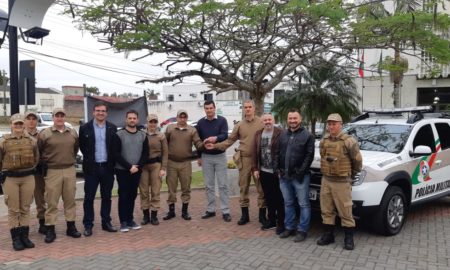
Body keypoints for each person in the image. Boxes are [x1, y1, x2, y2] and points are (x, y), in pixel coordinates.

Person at [211, 100, 266, 226]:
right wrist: (215, 146)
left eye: (250, 107)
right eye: (245, 107)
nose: (247, 109)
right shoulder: (240, 125)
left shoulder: (261, 122)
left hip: (258, 160)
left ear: (254, 108)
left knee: (261, 189)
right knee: (243, 188)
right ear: (243, 109)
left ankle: (262, 216)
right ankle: (245, 216)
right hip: (244, 159)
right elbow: (229, 141)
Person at [317, 113, 362, 250]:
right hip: (327, 180)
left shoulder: (349, 141)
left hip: (342, 181)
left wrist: (351, 175)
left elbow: (357, 161)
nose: (331, 127)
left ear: (340, 125)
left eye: (334, 124)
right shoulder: (324, 140)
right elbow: (323, 155)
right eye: (329, 124)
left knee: (345, 211)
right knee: (326, 210)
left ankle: (349, 238)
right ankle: (328, 235)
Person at [38, 108, 81, 243]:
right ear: (53, 117)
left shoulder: (72, 132)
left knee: (70, 200)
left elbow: (75, 149)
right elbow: (39, 150)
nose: (60, 118)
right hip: (52, 171)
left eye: (62, 116)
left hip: (69, 169)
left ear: (65, 117)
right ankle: (50, 229)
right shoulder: (45, 134)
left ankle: (71, 226)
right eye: (57, 116)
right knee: (52, 201)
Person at [0, 114, 39, 251]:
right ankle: (15, 239)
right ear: (11, 124)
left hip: (28, 177)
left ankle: (24, 237)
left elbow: (36, 158)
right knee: (13, 209)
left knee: (25, 208)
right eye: (15, 124)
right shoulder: (3, 141)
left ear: (24, 125)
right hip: (11, 178)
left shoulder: (32, 141)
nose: (18, 126)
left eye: (20, 124)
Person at [79, 101, 118, 237]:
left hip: (107, 168)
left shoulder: (112, 128)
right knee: (89, 198)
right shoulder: (85, 128)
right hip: (92, 168)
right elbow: (83, 148)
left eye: (103, 111)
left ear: (106, 113)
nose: (100, 113)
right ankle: (88, 225)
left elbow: (114, 149)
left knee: (106, 197)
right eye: (98, 110)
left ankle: (106, 222)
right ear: (93, 112)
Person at [275, 109, 314, 242]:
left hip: (300, 177)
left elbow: (309, 157)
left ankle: (302, 230)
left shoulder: (308, 136)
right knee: (288, 203)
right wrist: (277, 170)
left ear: (300, 119)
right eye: (290, 118)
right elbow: (276, 152)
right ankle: (289, 227)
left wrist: (300, 173)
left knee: (303, 204)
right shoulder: (282, 135)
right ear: (287, 120)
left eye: (295, 118)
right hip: (284, 176)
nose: (292, 121)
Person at [163, 109, 203, 221]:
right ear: (177, 117)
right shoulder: (170, 128)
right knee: (171, 188)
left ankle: (185, 212)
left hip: (186, 163)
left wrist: (204, 145)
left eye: (184, 117)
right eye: (180, 117)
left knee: (186, 188)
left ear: (186, 118)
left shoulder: (191, 130)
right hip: (171, 163)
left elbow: (198, 143)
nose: (182, 119)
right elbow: (164, 143)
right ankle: (171, 211)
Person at [113, 110, 149, 232]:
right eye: (130, 118)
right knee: (123, 195)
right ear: (126, 119)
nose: (132, 120)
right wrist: (129, 167)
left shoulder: (143, 135)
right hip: (122, 170)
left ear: (137, 120)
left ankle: (130, 219)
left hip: (137, 171)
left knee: (132, 195)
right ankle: (123, 222)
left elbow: (145, 154)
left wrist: (138, 166)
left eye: (134, 118)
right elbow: (116, 154)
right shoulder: (119, 134)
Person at [195, 101, 231, 222]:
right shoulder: (200, 123)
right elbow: (198, 142)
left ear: (215, 108)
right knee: (209, 185)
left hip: (220, 156)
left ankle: (225, 211)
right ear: (204, 109)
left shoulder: (222, 120)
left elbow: (225, 135)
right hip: (206, 157)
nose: (209, 110)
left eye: (211, 108)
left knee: (223, 185)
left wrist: (216, 138)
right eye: (207, 108)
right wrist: (199, 156)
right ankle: (211, 209)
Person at [252, 113, 285, 234]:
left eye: (269, 119)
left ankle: (281, 223)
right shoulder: (258, 134)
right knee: (269, 198)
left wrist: (282, 169)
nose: (267, 122)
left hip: (277, 172)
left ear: (273, 120)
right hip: (264, 172)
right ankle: (271, 221)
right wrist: (255, 168)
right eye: (265, 120)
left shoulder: (280, 133)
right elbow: (254, 152)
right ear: (262, 122)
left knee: (279, 198)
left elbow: (284, 152)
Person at [139, 114, 168, 226]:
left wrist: (163, 168)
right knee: (144, 191)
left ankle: (154, 216)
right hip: (143, 166)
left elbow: (165, 153)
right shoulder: (141, 134)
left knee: (155, 191)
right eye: (151, 122)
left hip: (156, 165)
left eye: (155, 122)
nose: (152, 124)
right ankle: (146, 216)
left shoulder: (161, 136)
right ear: (147, 122)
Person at [24, 111, 47, 235]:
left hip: (38, 172)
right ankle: (24, 226)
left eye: (34, 118)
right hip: (24, 172)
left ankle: (42, 223)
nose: (31, 121)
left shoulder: (42, 135)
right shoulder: (20, 134)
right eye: (29, 118)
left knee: (40, 198)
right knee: (25, 200)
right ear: (25, 120)